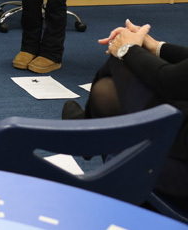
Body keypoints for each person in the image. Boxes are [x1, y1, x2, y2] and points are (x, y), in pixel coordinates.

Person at [62, 19, 188, 199]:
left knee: (120, 61)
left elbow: (170, 81)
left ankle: (86, 135)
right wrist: (155, 47)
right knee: (110, 86)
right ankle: (86, 136)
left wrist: (128, 49)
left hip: (178, 172)